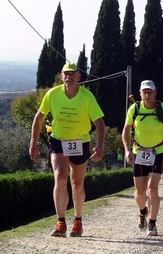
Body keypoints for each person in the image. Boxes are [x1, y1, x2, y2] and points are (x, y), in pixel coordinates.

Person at [29, 62, 105, 238]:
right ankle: (61, 222)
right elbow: (39, 118)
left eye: (73, 74)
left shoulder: (87, 96)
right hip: (58, 140)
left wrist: (99, 146)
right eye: (66, 74)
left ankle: (78, 221)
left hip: (81, 141)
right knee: (60, 178)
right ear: (61, 76)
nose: (69, 77)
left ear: (79, 76)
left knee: (77, 184)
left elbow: (99, 124)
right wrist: (33, 143)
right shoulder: (53, 94)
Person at [122, 80, 163, 237]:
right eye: (144, 92)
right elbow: (126, 130)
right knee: (139, 193)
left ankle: (152, 223)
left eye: (150, 92)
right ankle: (142, 211)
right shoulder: (135, 108)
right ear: (140, 94)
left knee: (152, 189)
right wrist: (127, 150)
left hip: (157, 152)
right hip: (139, 152)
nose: (147, 95)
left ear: (155, 93)